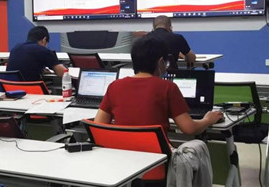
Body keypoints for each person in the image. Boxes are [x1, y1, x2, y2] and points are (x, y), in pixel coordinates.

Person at [94, 36, 222, 134]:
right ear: (161, 62)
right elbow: (189, 129)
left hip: (122, 153)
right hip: (158, 156)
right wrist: (208, 120)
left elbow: (98, 124)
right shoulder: (168, 87)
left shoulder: (114, 86)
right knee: (198, 146)